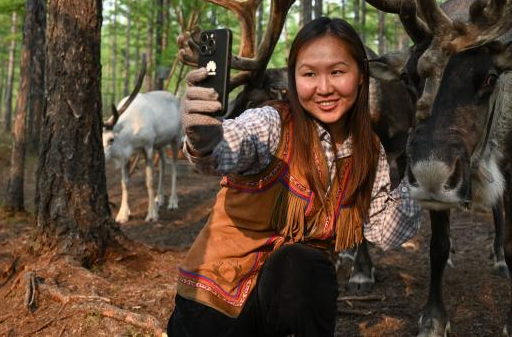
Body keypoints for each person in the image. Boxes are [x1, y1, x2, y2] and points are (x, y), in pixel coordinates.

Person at [167, 17, 421, 337]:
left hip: (286, 304)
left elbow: (386, 232)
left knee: (302, 262)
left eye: (338, 72)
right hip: (213, 306)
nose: (324, 88)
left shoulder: (368, 151)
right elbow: (228, 146)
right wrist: (204, 139)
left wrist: (419, 169)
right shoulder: (273, 124)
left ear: (361, 77)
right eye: (309, 74)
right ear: (293, 79)